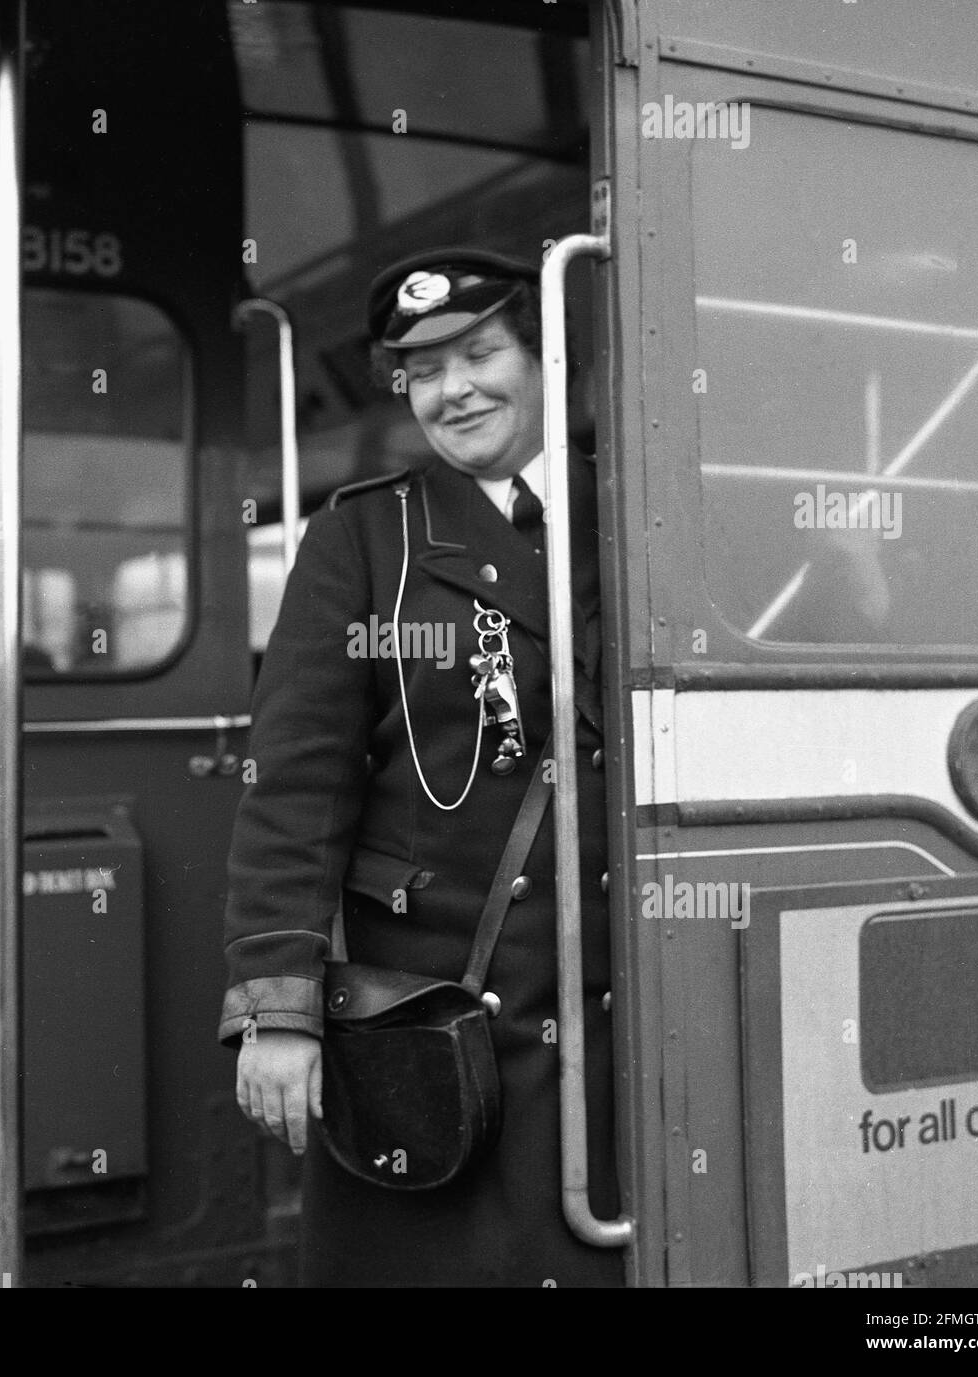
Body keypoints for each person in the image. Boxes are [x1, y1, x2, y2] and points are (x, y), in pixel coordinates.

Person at [218, 248, 618, 1287]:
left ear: (547, 361)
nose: (455, 390)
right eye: (425, 371)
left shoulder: (635, 508)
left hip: (624, 1007)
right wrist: (279, 1008)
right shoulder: (360, 538)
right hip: (437, 1023)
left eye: (481, 354)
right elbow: (294, 784)